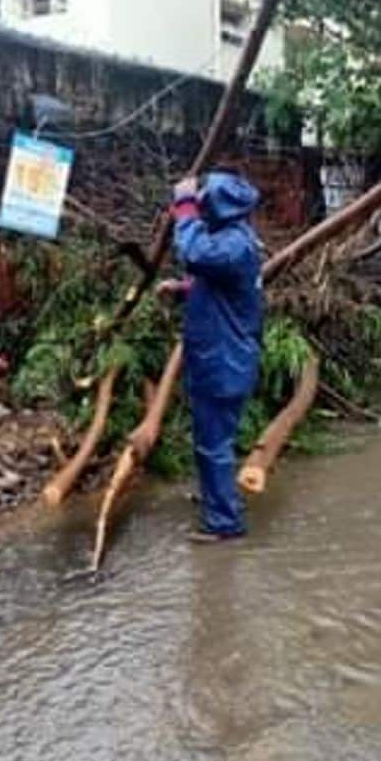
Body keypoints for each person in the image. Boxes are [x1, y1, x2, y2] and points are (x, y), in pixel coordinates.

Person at [157, 167, 263, 543]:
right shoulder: (236, 241)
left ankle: (224, 523)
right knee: (212, 438)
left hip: (223, 361)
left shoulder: (233, 245)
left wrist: (183, 205)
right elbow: (220, 286)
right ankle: (218, 500)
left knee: (213, 442)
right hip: (220, 359)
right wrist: (186, 289)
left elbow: (194, 251)